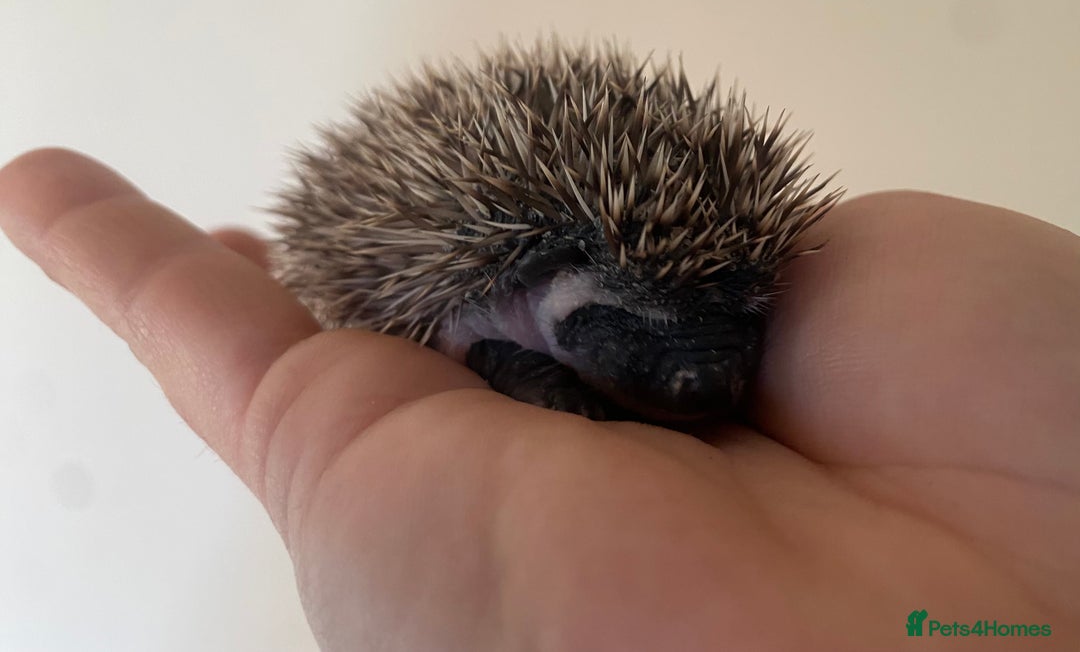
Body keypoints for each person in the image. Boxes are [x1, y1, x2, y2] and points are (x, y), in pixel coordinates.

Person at [1, 147, 1077, 651]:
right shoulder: (465, 277)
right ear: (528, 293)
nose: (707, 384)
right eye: (633, 330)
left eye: (728, 341)